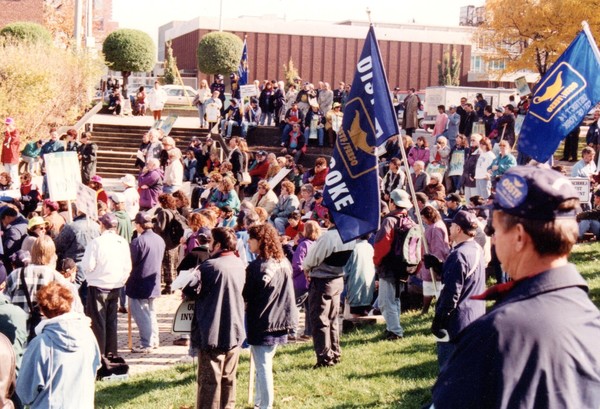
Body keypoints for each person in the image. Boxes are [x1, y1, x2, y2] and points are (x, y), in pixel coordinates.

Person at [431, 166, 600, 409]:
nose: (494, 238)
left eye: (496, 229)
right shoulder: (591, 321)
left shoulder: (497, 334)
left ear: (519, 237)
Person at [186, 227, 246, 409]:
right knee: (228, 379)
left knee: (209, 383)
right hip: (234, 329)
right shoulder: (239, 263)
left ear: (218, 244)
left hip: (212, 329)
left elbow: (191, 291)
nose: (209, 245)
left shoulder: (209, 266)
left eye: (212, 242)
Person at [16, 282, 101, 409]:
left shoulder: (41, 343)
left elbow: (24, 392)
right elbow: (94, 368)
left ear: (43, 311)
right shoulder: (89, 335)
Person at [243, 224, 298, 409]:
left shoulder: (258, 267)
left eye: (251, 239)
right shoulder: (283, 262)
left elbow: (246, 294)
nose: (248, 242)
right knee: (263, 364)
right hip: (281, 319)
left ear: (261, 241)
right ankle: (260, 402)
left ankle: (265, 405)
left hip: (264, 321)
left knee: (263, 366)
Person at [426, 210, 485, 368]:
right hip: (474, 319)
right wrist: (439, 266)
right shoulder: (477, 249)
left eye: (451, 225)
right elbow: (464, 278)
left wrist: (439, 320)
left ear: (458, 229)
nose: (449, 228)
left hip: (456, 325)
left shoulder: (458, 255)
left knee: (449, 373)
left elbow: (451, 294)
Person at [303, 214, 356, 368]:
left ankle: (324, 357)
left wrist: (307, 269)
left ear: (329, 220)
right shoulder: (349, 236)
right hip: (338, 278)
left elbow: (311, 259)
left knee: (319, 320)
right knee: (332, 319)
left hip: (322, 280)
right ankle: (335, 352)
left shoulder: (328, 237)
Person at [80, 213, 132, 357]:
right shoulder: (122, 242)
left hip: (99, 285)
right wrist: (121, 280)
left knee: (98, 323)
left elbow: (88, 265)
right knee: (111, 321)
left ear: (102, 225)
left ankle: (100, 355)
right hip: (115, 285)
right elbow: (128, 266)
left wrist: (90, 274)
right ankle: (111, 353)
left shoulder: (96, 242)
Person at [373, 188, 414, 340]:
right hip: (403, 266)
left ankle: (396, 331)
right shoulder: (409, 220)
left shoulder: (390, 220)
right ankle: (392, 328)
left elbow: (381, 245)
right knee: (395, 299)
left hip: (388, 266)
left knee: (385, 301)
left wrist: (377, 262)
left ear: (392, 202)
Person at [126, 212, 165, 353]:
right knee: (151, 312)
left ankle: (147, 343)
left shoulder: (138, 242)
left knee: (142, 314)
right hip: (153, 281)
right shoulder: (159, 239)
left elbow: (131, 262)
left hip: (139, 283)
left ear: (138, 225)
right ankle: (154, 340)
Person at [2, 118, 20, 184]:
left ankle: (15, 185)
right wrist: (2, 159)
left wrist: (8, 133)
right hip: (6, 157)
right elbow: (4, 147)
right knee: (7, 173)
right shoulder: (7, 134)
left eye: (8, 124)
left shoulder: (16, 133)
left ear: (13, 124)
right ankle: (8, 185)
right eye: (6, 124)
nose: (7, 126)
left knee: (13, 173)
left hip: (13, 157)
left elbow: (12, 141)